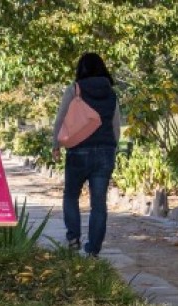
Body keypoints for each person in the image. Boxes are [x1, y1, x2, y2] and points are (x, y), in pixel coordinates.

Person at [52, 52, 121, 256]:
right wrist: (112, 148)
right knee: (98, 203)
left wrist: (56, 144)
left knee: (71, 195)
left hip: (78, 151)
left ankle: (73, 237)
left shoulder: (75, 89)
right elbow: (115, 124)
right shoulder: (111, 93)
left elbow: (61, 118)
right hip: (105, 151)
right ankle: (93, 249)